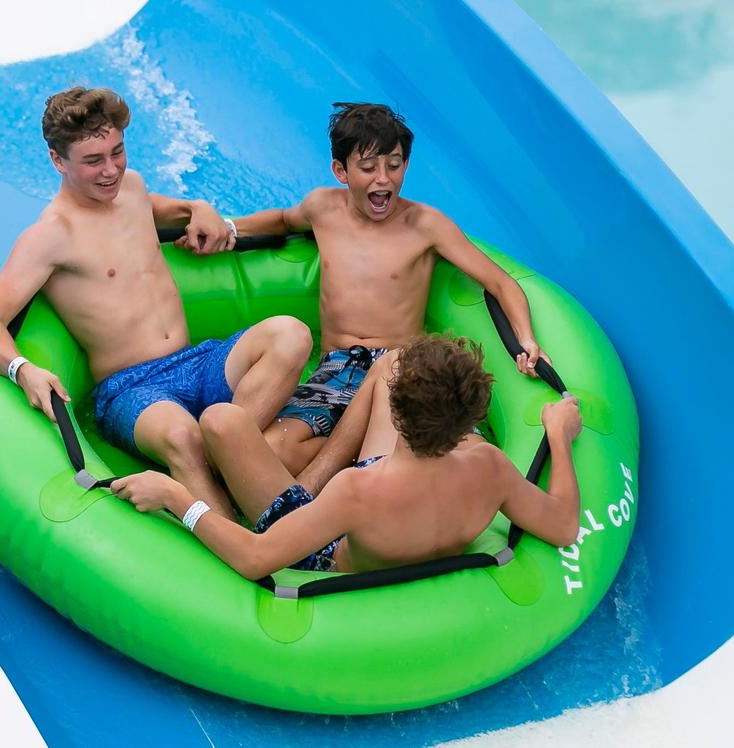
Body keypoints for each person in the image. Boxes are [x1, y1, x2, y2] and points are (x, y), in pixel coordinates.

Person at [0, 86, 312, 518]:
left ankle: (228, 456)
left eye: (117, 151)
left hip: (198, 361)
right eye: (93, 161)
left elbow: (167, 210)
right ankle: (235, 543)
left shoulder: (130, 189)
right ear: (58, 161)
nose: (111, 170)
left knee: (291, 334)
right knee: (181, 435)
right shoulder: (50, 236)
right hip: (133, 389)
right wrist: (23, 370)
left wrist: (198, 207)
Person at [208, 102, 550, 491]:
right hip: (338, 370)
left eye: (395, 164)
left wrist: (527, 340)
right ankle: (355, 467)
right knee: (271, 451)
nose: (383, 179)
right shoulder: (323, 208)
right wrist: (229, 228)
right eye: (368, 167)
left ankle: (354, 470)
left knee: (462, 465)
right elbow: (284, 220)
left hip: (400, 369)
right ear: (341, 171)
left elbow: (502, 283)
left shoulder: (426, 225)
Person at [111, 336, 581, 578]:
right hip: (401, 514)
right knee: (394, 358)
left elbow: (256, 560)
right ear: (464, 424)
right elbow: (562, 527)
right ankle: (311, 473)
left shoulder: (357, 492)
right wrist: (558, 436)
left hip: (335, 549)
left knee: (220, 421)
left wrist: (177, 498)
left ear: (397, 412)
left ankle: (298, 481)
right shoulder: (491, 470)